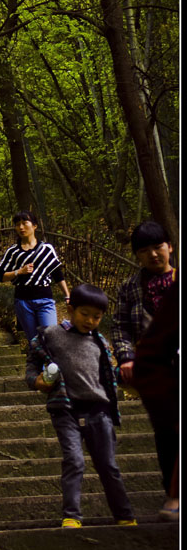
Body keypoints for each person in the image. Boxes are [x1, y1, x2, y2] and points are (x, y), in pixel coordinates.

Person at [26, 283, 136, 528]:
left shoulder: (99, 341)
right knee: (74, 460)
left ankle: (124, 515)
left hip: (100, 410)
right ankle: (72, 515)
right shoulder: (51, 335)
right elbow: (32, 361)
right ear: (70, 309)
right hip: (66, 409)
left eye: (96, 317)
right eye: (84, 314)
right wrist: (35, 381)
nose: (90, 320)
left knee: (108, 464)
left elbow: (108, 376)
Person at [112, 221, 178, 520]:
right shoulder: (130, 287)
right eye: (144, 250)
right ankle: (171, 492)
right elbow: (121, 326)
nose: (153, 254)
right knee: (166, 432)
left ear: (170, 247)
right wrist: (126, 358)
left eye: (158, 247)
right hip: (155, 371)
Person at [0, 211, 70, 343]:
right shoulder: (13, 252)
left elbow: (57, 273)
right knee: (35, 342)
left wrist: (67, 295)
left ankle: (52, 364)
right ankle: (39, 364)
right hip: (23, 301)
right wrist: (19, 272)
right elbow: (1, 276)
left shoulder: (47, 249)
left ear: (34, 226)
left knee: (50, 338)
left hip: (45, 299)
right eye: (17, 224)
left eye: (25, 223)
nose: (21, 227)